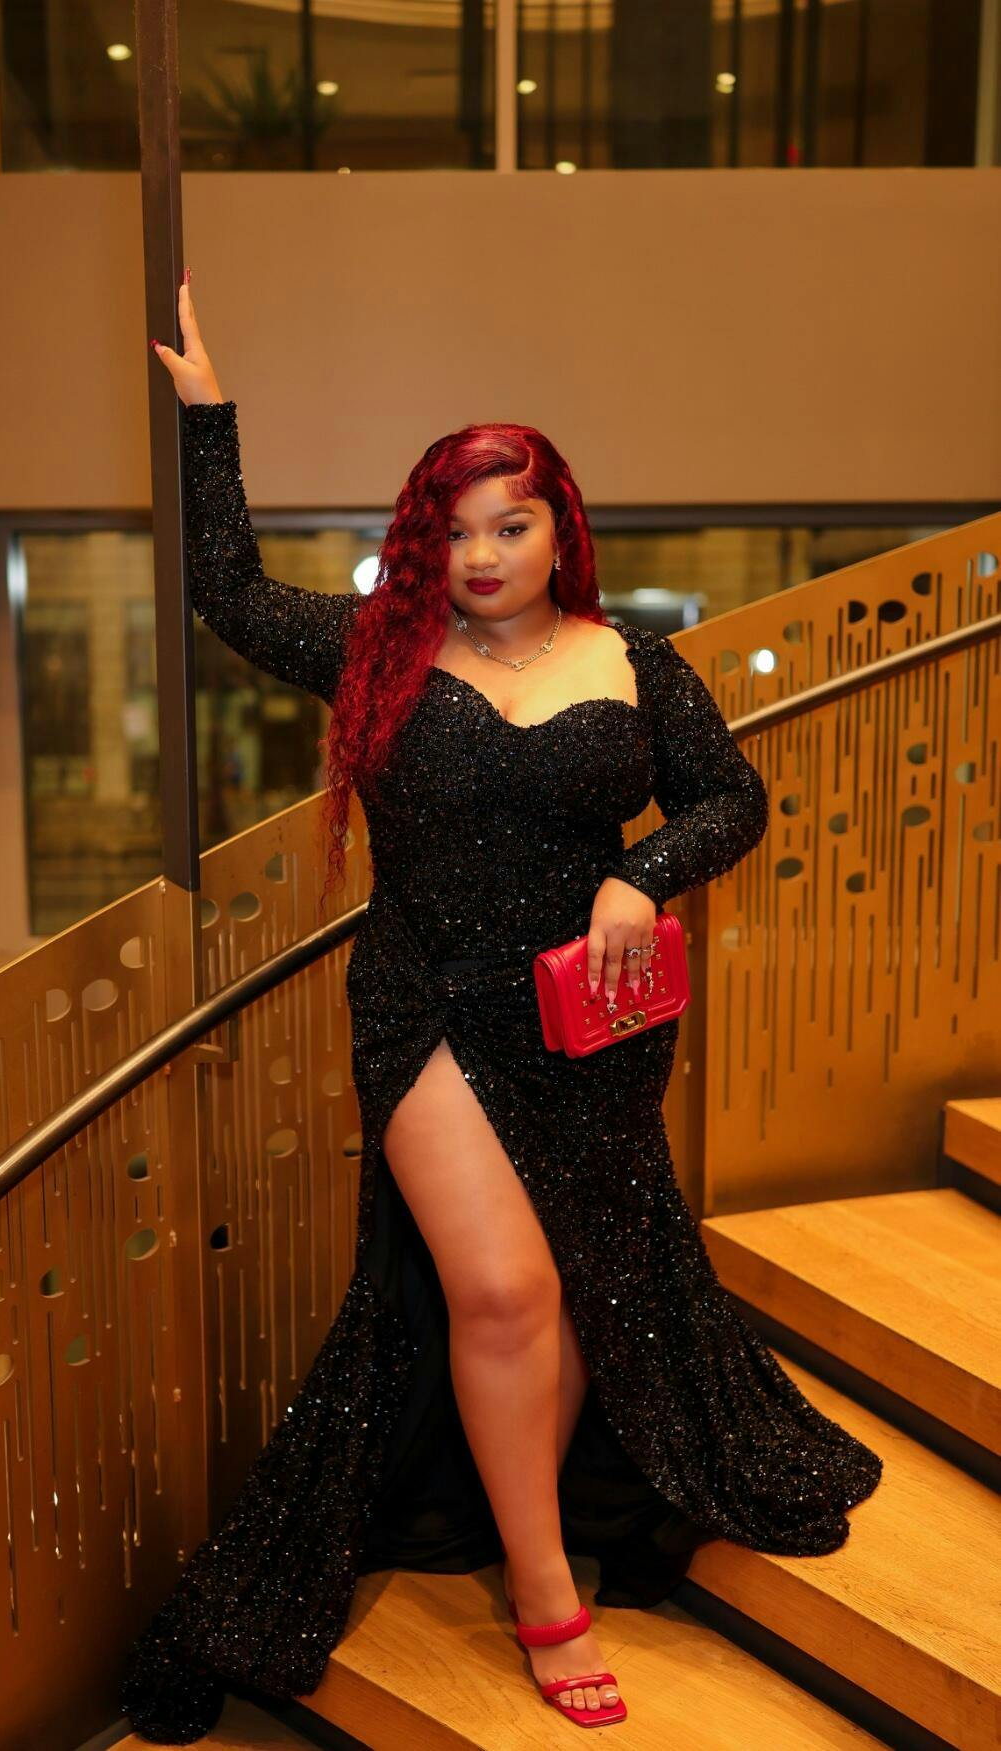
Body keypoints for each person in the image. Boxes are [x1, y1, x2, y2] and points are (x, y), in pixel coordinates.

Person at [120, 278, 883, 1742]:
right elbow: (225, 589)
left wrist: (639, 876)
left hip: (589, 1026)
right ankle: (543, 1588)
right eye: (455, 531)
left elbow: (731, 799)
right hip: (427, 1006)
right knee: (505, 1291)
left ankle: (542, 1511)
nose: (480, 554)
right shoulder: (379, 651)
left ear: (559, 528)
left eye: (509, 525)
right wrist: (209, 418)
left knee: (583, 1278)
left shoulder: (634, 661)